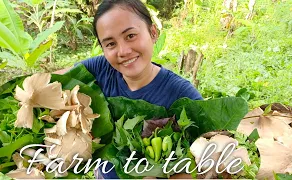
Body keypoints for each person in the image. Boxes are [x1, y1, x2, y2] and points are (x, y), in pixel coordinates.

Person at [56, 0, 203, 178]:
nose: (123, 51)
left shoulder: (182, 94)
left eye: (131, 36)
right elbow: (54, 82)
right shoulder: (99, 70)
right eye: (110, 44)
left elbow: (206, 156)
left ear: (153, 33)